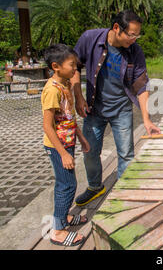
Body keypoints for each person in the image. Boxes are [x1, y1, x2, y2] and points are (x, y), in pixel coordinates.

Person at [71, 10, 160, 207]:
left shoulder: (135, 51)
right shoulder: (91, 39)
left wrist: (146, 119)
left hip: (121, 109)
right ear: (117, 28)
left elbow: (141, 85)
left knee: (126, 154)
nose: (134, 39)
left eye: (138, 35)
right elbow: (74, 66)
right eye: (131, 34)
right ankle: (95, 187)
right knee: (90, 151)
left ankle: (124, 192)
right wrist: (78, 97)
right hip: (94, 109)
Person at [41, 44, 91, 247]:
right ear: (56, 66)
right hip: (57, 146)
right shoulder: (52, 90)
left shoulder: (66, 85)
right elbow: (47, 125)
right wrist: (62, 153)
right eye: (72, 65)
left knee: (67, 183)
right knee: (67, 185)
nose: (75, 68)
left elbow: (68, 117)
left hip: (68, 142)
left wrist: (81, 137)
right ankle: (58, 231)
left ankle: (65, 217)